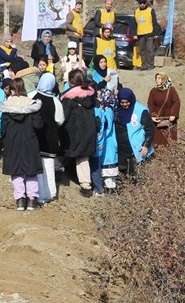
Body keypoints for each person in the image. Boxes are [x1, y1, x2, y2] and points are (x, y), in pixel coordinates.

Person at [0, 78, 44, 211]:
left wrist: (4, 141)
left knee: (16, 171)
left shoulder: (6, 107)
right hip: (29, 141)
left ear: (12, 90)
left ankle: (20, 199)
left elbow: (3, 129)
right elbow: (38, 126)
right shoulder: (32, 105)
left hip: (12, 142)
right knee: (31, 171)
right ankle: (32, 199)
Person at [60, 69, 97, 197]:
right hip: (89, 129)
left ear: (70, 81)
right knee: (83, 156)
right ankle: (86, 183)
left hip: (73, 131)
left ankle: (80, 183)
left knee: (74, 155)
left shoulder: (68, 97)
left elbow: (63, 116)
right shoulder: (90, 95)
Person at [32, 72, 65, 204]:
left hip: (36, 138)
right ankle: (50, 193)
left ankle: (39, 194)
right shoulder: (55, 101)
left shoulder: (32, 97)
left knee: (38, 168)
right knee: (49, 167)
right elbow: (60, 120)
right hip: (50, 138)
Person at [115, 87, 155, 181]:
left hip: (136, 149)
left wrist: (146, 145)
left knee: (135, 175)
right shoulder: (117, 109)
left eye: (127, 102)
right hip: (121, 149)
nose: (125, 105)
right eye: (122, 102)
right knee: (122, 174)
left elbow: (150, 130)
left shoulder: (141, 111)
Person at [91, 87, 119, 195]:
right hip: (110, 143)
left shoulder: (108, 111)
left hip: (108, 143)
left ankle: (109, 192)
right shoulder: (110, 109)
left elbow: (107, 127)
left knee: (108, 173)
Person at [147, 72, 181, 147]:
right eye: (156, 78)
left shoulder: (171, 90)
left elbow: (176, 102)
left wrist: (173, 114)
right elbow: (150, 104)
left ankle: (170, 155)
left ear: (164, 79)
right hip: (157, 118)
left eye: (159, 78)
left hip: (169, 118)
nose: (157, 80)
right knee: (157, 139)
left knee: (169, 138)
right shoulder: (153, 91)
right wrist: (152, 116)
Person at [134, 0, 160, 70]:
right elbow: (135, 24)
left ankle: (150, 65)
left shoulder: (150, 10)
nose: (142, 4)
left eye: (143, 3)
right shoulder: (136, 12)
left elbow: (154, 22)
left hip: (150, 33)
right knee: (142, 50)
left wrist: (156, 33)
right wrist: (135, 34)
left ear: (146, 3)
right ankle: (144, 65)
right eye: (140, 3)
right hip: (140, 34)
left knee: (150, 50)